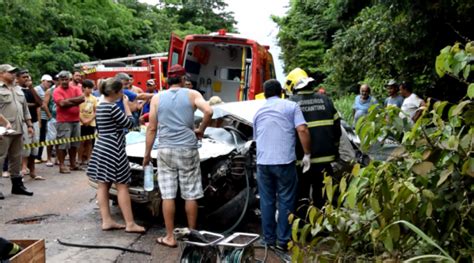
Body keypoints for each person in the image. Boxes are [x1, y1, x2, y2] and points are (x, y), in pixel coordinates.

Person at [143, 64, 213, 248]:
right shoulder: (193, 94)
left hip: (165, 149)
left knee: (168, 195)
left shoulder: (157, 98)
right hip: (188, 148)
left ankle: (169, 237)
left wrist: (147, 154)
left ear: (167, 80)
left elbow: (151, 128)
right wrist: (200, 130)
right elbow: (209, 111)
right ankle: (192, 236)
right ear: (183, 79)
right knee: (190, 194)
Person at [253, 79, 311, 251]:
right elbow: (302, 129)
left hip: (263, 162)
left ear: (265, 93)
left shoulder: (258, 111)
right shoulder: (291, 106)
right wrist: (307, 153)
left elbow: (257, 139)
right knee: (286, 200)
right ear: (281, 92)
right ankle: (282, 241)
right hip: (284, 162)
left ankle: (268, 240)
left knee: (267, 200)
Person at [87, 78, 145, 233]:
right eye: (121, 91)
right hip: (114, 147)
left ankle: (107, 220)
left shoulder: (100, 105)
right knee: (122, 185)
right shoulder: (112, 107)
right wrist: (126, 106)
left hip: (102, 145)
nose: (123, 93)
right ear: (115, 92)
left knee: (103, 184)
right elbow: (130, 123)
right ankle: (130, 223)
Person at [286, 68, 341, 208]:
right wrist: (334, 148)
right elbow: (337, 128)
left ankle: (302, 227)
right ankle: (322, 228)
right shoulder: (326, 100)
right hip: (326, 160)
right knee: (323, 198)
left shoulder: (291, 103)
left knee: (301, 198)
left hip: (302, 162)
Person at [0, 64, 34, 197]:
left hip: (19, 128)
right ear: (1, 73)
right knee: (0, 158)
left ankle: (17, 185)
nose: (14, 74)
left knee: (17, 158)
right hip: (4, 130)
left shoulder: (18, 89)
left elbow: (25, 109)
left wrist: (29, 125)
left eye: (15, 72)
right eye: (10, 72)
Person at [53, 70, 85, 174]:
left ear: (69, 79)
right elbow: (61, 104)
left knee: (75, 144)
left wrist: (68, 101)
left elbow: (82, 98)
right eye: (62, 79)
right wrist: (75, 101)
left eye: (66, 79)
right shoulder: (57, 91)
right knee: (63, 144)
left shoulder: (76, 88)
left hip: (75, 120)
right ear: (59, 80)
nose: (64, 81)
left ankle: (73, 164)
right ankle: (62, 165)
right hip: (63, 121)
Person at [18, 70, 44, 180]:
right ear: (18, 78)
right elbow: (21, 105)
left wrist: (31, 88)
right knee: (25, 148)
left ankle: (32, 172)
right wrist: (32, 104)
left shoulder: (31, 90)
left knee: (34, 147)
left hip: (34, 122)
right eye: (24, 77)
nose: (26, 79)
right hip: (23, 122)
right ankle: (22, 171)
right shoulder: (17, 90)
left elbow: (40, 103)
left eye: (28, 77)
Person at [34, 74, 53, 163]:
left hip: (46, 117)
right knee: (39, 137)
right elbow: (40, 104)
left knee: (43, 137)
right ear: (42, 81)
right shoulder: (37, 89)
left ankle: (39, 156)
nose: (49, 83)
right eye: (47, 81)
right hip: (40, 116)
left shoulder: (48, 90)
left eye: (50, 82)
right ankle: (36, 156)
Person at [78, 79, 97, 166]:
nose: (90, 90)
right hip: (81, 123)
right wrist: (83, 120)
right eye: (88, 88)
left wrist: (89, 120)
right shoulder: (79, 97)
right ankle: (79, 158)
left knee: (89, 141)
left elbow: (96, 111)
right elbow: (76, 111)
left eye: (91, 88)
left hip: (91, 123)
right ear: (84, 88)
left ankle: (89, 158)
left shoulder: (94, 98)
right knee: (81, 141)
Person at [42, 76, 58, 167]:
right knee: (51, 139)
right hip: (53, 118)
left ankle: (58, 158)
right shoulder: (50, 91)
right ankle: (48, 158)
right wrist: (50, 116)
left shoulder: (64, 90)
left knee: (60, 140)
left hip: (62, 118)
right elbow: (44, 104)